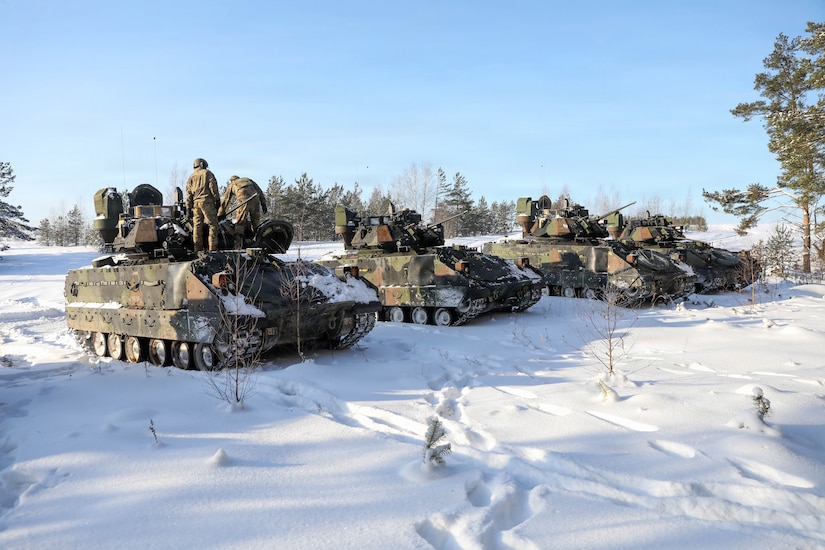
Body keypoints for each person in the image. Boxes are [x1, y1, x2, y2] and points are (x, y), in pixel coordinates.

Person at [218, 175, 268, 249]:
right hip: (255, 199)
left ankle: (238, 246)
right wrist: (263, 203)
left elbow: (225, 200)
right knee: (256, 225)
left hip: (243, 199)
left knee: (240, 223)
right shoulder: (248, 180)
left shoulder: (233, 184)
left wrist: (220, 214)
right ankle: (259, 244)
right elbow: (259, 191)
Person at [185, 157, 220, 252]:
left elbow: (188, 194)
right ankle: (213, 249)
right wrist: (217, 199)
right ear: (202, 164)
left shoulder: (191, 177)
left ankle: (197, 249)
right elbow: (213, 187)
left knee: (197, 226)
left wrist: (188, 208)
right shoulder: (207, 173)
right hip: (207, 202)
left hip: (196, 204)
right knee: (212, 225)